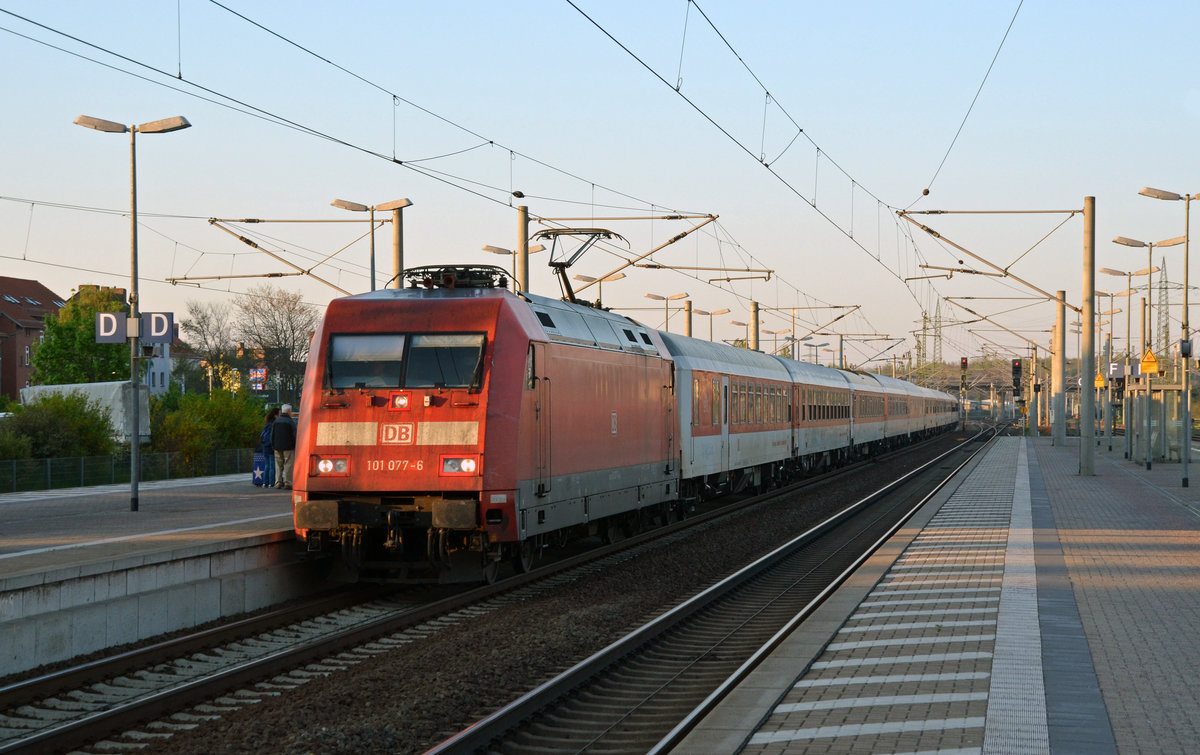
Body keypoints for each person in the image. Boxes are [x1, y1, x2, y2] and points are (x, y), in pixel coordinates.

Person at [272, 404, 297, 489]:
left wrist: (273, 445)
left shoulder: (276, 421)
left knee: (278, 465)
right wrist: (295, 445)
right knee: (288, 465)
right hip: (288, 447)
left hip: (277, 447)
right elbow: (294, 435)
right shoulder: (290, 422)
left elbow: (272, 435)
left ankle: (278, 482)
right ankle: (288, 483)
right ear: (289, 411)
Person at [260, 407, 280, 488]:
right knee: (272, 466)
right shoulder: (274, 424)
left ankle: (265, 482)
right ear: (276, 415)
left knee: (267, 465)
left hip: (265, 446)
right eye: (279, 414)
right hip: (271, 447)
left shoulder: (267, 423)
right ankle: (272, 483)